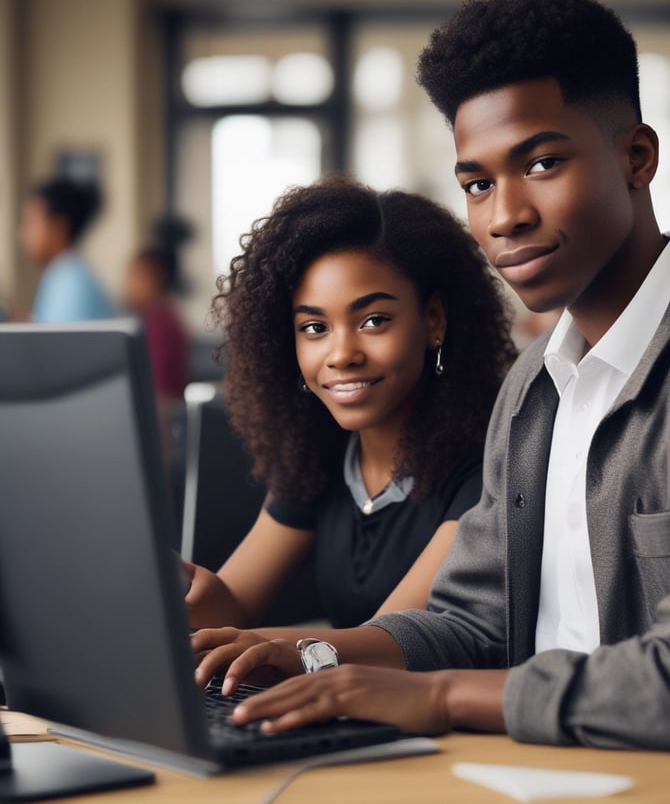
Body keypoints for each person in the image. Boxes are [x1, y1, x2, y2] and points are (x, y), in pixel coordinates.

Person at [191, 0, 670, 763]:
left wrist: (437, 696)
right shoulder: (533, 387)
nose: (505, 216)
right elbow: (472, 625)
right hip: (533, 770)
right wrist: (308, 659)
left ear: (637, 156)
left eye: (542, 162)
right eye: (478, 184)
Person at [183, 174, 516, 631]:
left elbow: (386, 645)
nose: (341, 355)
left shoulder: (487, 468)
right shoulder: (317, 456)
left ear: (433, 320)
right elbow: (232, 606)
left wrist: (281, 648)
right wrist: (171, 586)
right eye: (314, 328)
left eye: (374, 320)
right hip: (339, 699)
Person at [18, 176, 116, 322]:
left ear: (59, 227)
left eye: (31, 222)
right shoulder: (62, 274)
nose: (21, 235)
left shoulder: (70, 283)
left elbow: (56, 343)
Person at [124, 245, 190, 403]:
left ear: (158, 279)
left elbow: (156, 386)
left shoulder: (161, 324)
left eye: (137, 276)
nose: (129, 284)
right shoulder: (158, 317)